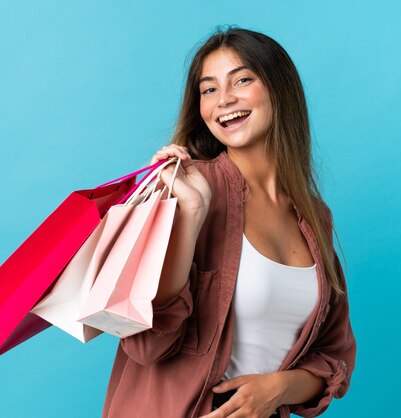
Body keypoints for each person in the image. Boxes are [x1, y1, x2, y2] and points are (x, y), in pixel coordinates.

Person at [102, 26, 356, 418]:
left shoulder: (315, 217)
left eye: (242, 80)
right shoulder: (186, 188)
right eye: (209, 89)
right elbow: (146, 343)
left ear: (278, 88)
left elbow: (333, 355)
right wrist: (191, 214)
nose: (225, 100)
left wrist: (278, 388)